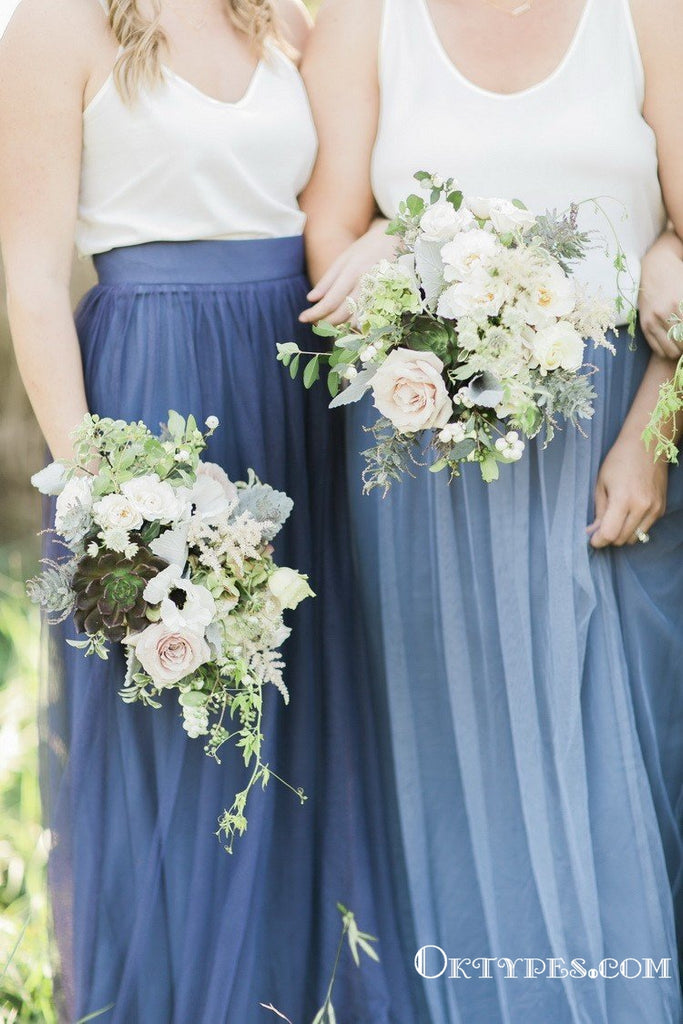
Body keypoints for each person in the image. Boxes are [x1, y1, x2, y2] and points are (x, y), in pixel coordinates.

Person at [0, 1, 415, 1020]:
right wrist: (104, 499)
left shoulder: (286, 19)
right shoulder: (54, 29)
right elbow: (31, 283)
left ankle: (294, 993)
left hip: (293, 385)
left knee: (301, 704)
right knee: (181, 714)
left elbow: (355, 193)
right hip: (153, 386)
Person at [300, 0, 683, 1021]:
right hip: (431, 457)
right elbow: (331, 225)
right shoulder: (363, 19)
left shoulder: (645, 13)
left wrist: (652, 428)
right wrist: (388, 251)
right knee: (464, 791)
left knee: (619, 774)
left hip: (611, 443)